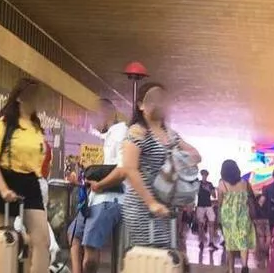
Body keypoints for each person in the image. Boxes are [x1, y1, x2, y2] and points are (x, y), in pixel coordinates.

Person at [120, 83, 202, 252]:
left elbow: (196, 155)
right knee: (146, 259)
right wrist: (151, 203)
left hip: (165, 207)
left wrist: (177, 160)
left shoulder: (170, 134)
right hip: (141, 206)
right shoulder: (137, 131)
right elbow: (129, 169)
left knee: (160, 259)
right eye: (153, 99)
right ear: (141, 105)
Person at [0, 77, 53, 273]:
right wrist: (3, 189)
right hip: (6, 178)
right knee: (0, 239)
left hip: (31, 183)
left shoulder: (36, 126)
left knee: (42, 240)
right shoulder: (3, 124)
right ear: (20, 98)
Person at [70, 98, 128, 273]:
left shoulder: (120, 132)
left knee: (90, 250)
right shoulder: (109, 135)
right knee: (74, 235)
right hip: (95, 198)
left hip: (108, 199)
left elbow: (121, 169)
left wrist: (100, 184)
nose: (92, 124)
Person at [218, 160, 256, 272]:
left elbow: (220, 202)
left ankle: (231, 269)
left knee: (230, 243)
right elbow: (250, 199)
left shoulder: (222, 184)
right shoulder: (245, 183)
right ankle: (244, 267)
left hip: (228, 219)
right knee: (243, 241)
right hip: (243, 216)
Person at [196, 170, 219, 252]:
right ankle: (201, 242)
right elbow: (194, 192)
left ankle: (211, 242)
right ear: (201, 175)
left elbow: (214, 195)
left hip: (208, 205)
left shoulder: (210, 184)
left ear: (207, 175)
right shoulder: (198, 183)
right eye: (203, 175)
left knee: (212, 222)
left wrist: (208, 189)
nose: (204, 176)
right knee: (200, 224)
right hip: (200, 205)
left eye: (205, 175)